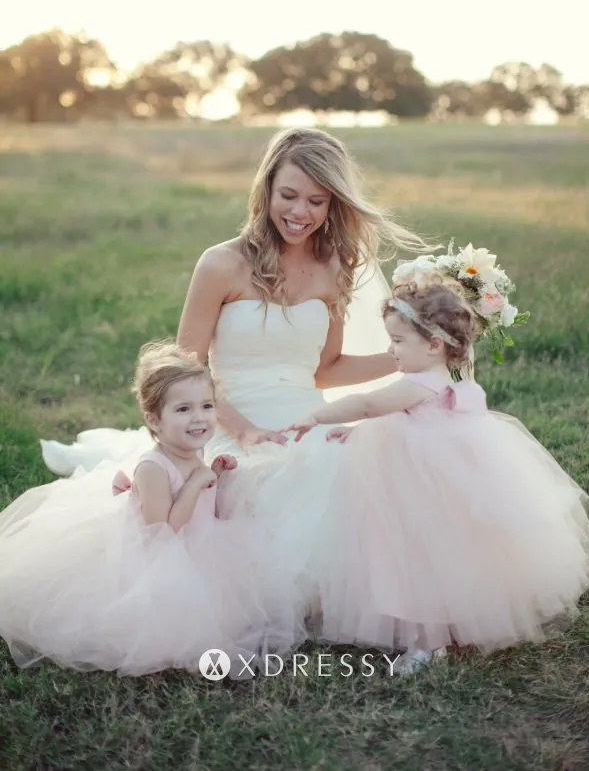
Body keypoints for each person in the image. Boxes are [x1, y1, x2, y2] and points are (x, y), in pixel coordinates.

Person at [41, 127, 425, 522]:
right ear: (267, 190)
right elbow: (186, 373)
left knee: (356, 491)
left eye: (316, 201)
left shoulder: (334, 269)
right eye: (288, 196)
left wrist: (407, 356)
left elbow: (325, 370)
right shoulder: (221, 264)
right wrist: (244, 431)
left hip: (305, 421)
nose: (299, 213)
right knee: (260, 492)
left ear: (332, 206)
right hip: (225, 420)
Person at [269, 265, 589, 674]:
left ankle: (429, 643)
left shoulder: (418, 382)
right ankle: (452, 625)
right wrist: (355, 435)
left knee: (419, 559)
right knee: (441, 557)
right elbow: (393, 421)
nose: (391, 349)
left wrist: (318, 417)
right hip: (434, 473)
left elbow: (371, 405)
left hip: (422, 486)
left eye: (398, 341)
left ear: (434, 345)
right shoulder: (441, 374)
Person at [0, 342, 298, 676]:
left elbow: (196, 502)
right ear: (153, 420)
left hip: (199, 546)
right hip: (161, 558)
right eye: (183, 410)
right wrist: (196, 483)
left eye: (206, 406)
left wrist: (212, 474)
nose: (199, 418)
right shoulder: (152, 469)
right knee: (178, 627)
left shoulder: (192, 452)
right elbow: (162, 531)